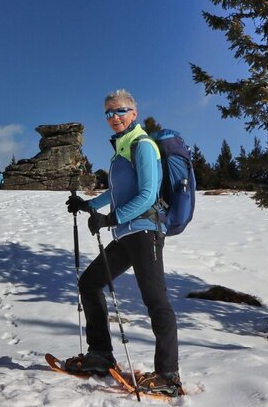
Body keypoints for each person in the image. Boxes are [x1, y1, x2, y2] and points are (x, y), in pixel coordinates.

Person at [64, 89, 183, 397]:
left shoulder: (142, 145)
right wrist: (88, 206)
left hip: (145, 232)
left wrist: (110, 219)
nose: (114, 118)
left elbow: (146, 195)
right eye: (108, 113)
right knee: (89, 284)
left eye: (120, 111)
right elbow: (118, 193)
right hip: (126, 234)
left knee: (155, 299)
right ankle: (101, 355)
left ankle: (168, 374)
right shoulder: (121, 150)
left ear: (134, 113)